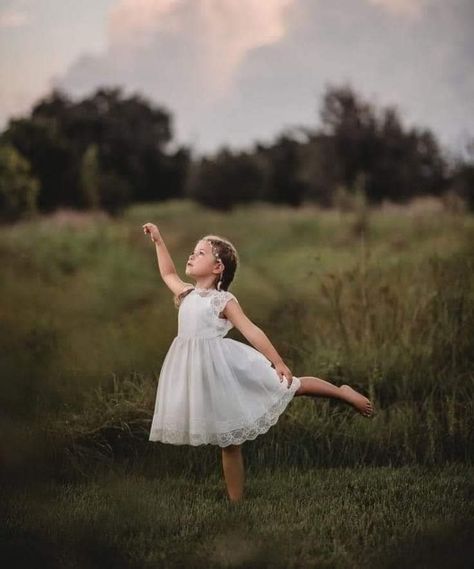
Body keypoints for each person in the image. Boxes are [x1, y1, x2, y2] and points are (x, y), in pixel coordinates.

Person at [142, 222, 374, 503]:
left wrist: (277, 362)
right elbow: (167, 272)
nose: (191, 256)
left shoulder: (222, 300)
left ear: (218, 268)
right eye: (192, 252)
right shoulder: (187, 294)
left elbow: (252, 330)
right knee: (227, 440)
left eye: (200, 253)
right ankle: (236, 504)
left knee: (288, 389)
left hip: (226, 369)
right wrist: (158, 240)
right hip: (198, 375)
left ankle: (342, 392)